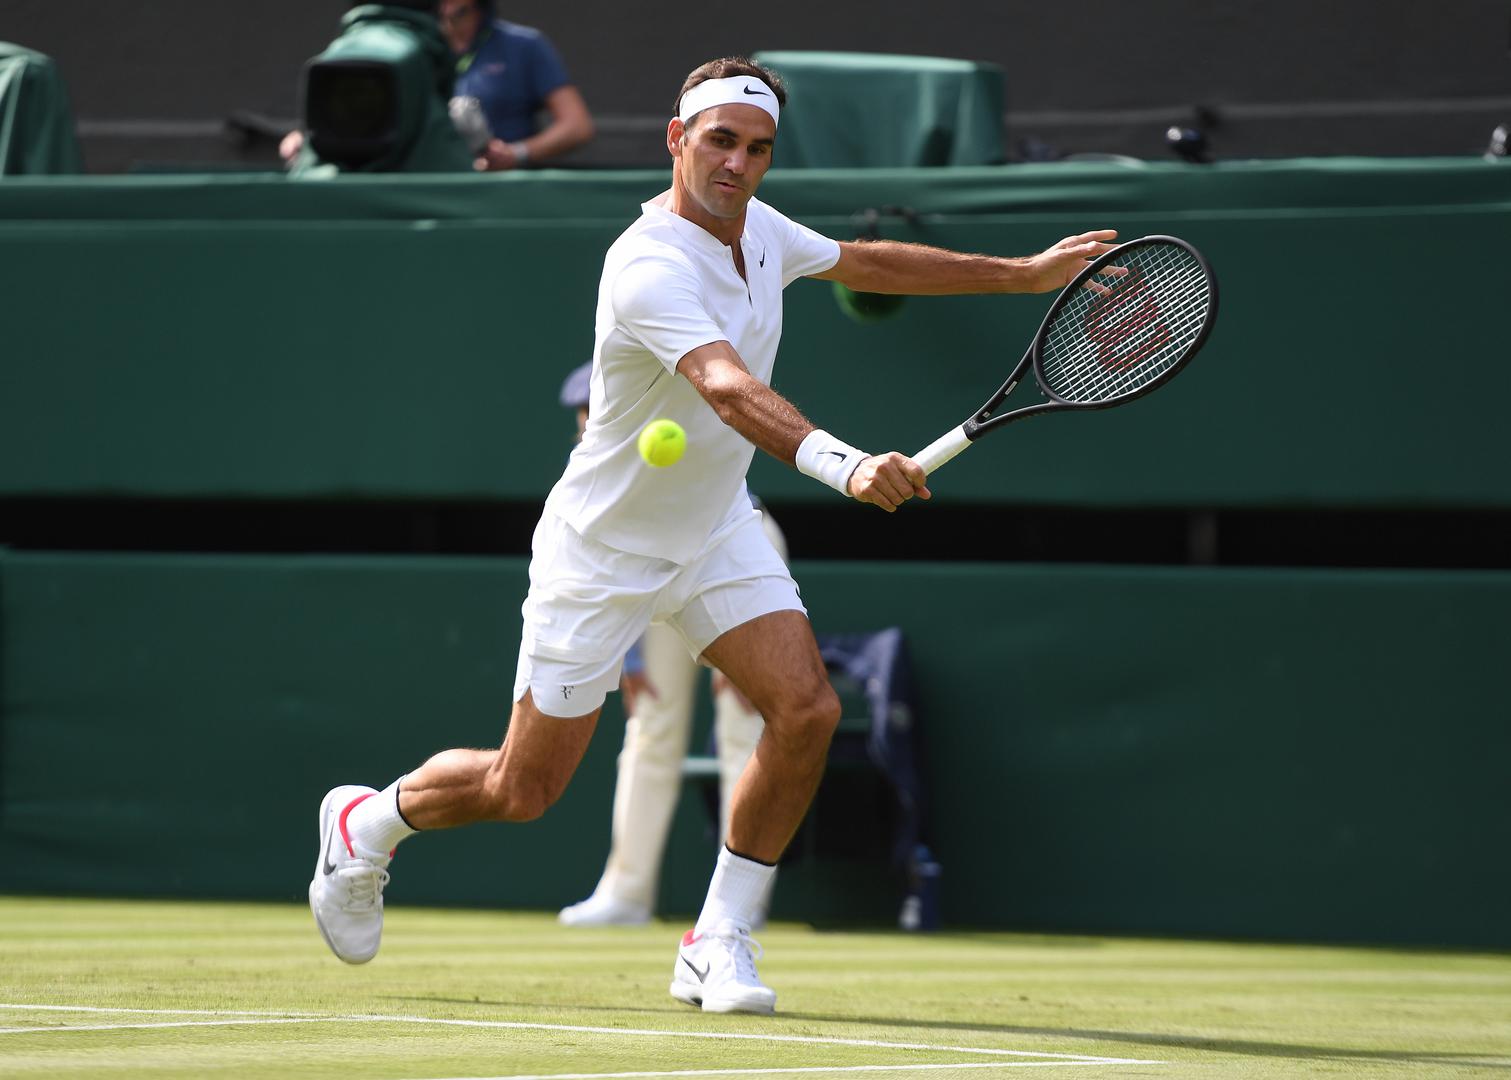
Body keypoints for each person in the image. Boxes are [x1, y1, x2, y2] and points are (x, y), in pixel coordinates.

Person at [308, 55, 1117, 1015]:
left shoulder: (763, 230)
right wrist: (846, 466)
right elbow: (727, 388)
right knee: (522, 789)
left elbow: (865, 261)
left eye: (758, 148)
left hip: (715, 527)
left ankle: (717, 938)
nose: (738, 163)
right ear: (677, 139)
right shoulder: (647, 263)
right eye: (720, 141)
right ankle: (366, 823)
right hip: (602, 550)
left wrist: (1022, 275)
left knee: (805, 711)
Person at [552, 362, 781, 929]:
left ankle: (741, 904)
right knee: (650, 727)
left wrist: (746, 656)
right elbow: (609, 557)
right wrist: (628, 656)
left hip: (736, 547)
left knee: (745, 728)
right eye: (581, 415)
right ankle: (626, 894)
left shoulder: (681, 409)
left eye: (593, 408)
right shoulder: (597, 467)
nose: (585, 423)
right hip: (653, 560)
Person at [437, 0, 593, 171]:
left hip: (503, 181)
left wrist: (516, 153)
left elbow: (577, 126)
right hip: (434, 179)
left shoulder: (524, 45)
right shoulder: (423, 46)